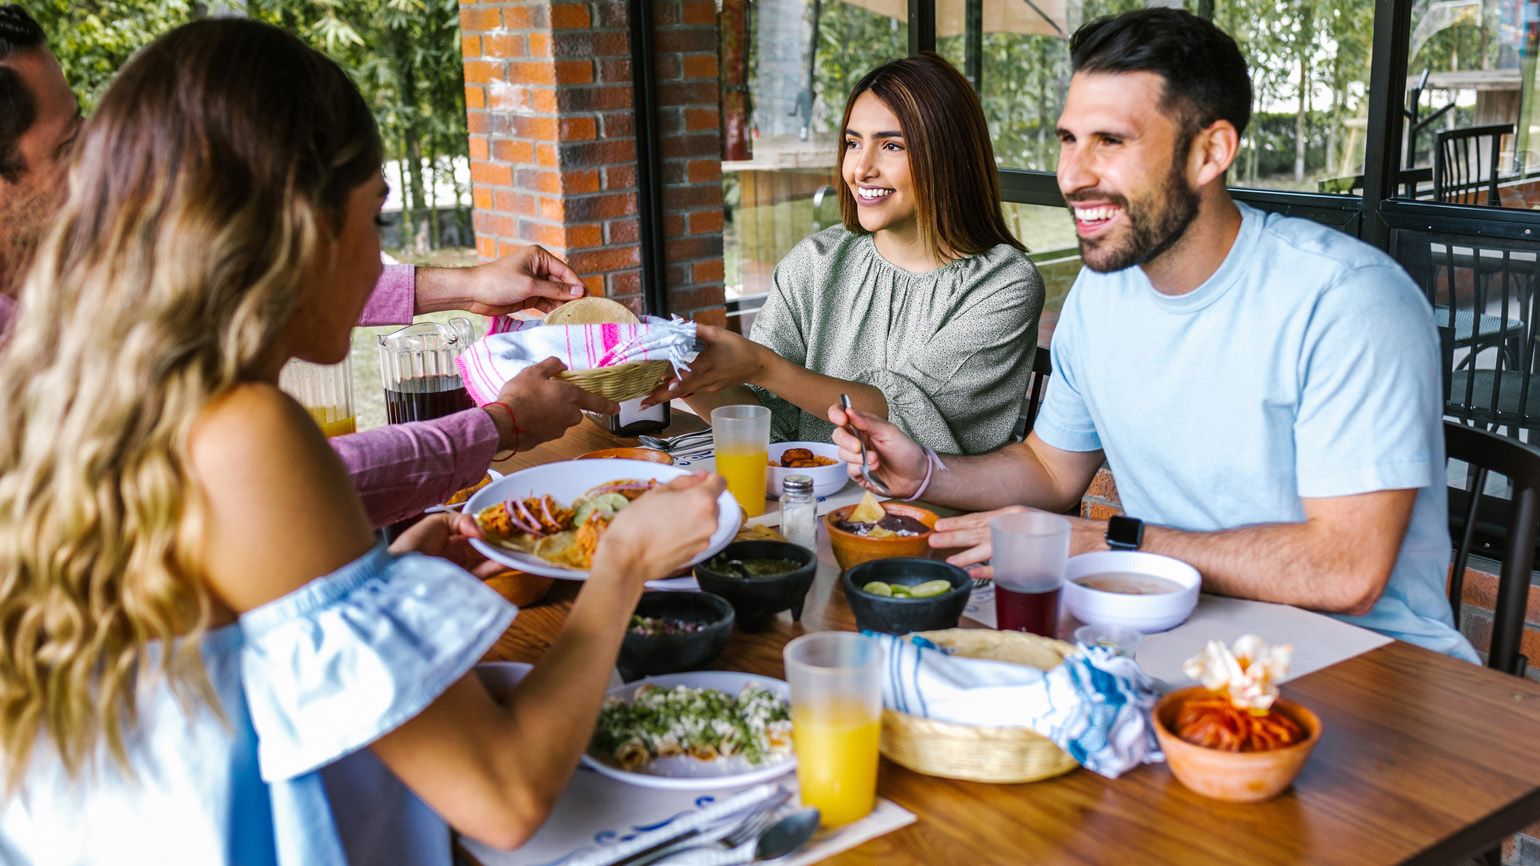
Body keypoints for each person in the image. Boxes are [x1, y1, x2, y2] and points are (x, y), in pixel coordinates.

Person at [0, 18, 726, 863]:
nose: (379, 260)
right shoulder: (241, 432)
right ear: (298, 226)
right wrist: (623, 562)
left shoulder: (108, 395)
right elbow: (503, 793)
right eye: (376, 218)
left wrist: (380, 586)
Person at [830, 9, 1476, 661]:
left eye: (1110, 141)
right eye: (1067, 140)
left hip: (1373, 665)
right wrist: (925, 473)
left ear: (1209, 152)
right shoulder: (1103, 293)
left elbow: (1346, 571)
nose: (1074, 175)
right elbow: (1050, 471)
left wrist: (1116, 544)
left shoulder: (1347, 300)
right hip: (1179, 638)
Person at [0, 4, 611, 528]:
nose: (95, 172)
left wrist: (468, 287)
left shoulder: (73, 286)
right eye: (68, 147)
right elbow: (283, 490)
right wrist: (500, 427)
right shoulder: (251, 429)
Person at [645, 53, 1043, 455]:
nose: (860, 169)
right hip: (817, 500)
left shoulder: (1002, 285)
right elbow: (771, 424)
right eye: (853, 143)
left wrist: (761, 365)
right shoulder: (815, 263)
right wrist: (682, 375)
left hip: (938, 511)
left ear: (948, 156)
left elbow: (910, 425)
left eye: (891, 145)